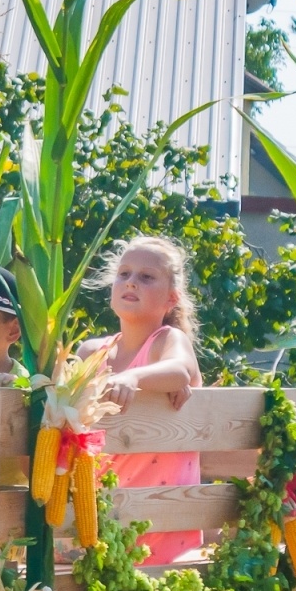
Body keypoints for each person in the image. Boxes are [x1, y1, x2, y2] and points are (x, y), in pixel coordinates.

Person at [76, 234, 204, 564]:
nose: (131, 282)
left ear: (171, 299)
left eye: (146, 277)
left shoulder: (168, 340)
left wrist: (133, 377)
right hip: (102, 524)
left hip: (162, 522)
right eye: (124, 274)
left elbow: (180, 371)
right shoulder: (92, 352)